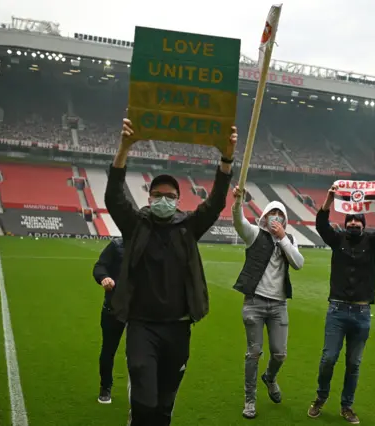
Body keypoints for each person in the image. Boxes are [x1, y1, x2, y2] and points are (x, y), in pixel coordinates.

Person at [105, 118, 237, 426]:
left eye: (170, 195)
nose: (163, 200)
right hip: (142, 327)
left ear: (178, 200)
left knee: (164, 405)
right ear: (149, 198)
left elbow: (216, 201)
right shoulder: (136, 224)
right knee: (144, 401)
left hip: (178, 329)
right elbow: (113, 196)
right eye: (157, 195)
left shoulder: (188, 227)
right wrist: (123, 149)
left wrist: (227, 158)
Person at [307, 182, 375, 424]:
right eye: (350, 220)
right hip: (337, 310)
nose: (354, 223)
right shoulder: (337, 241)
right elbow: (321, 225)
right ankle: (320, 398)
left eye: (358, 220)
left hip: (362, 312)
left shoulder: (372, 243)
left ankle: (347, 406)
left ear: (363, 225)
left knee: (353, 364)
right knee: (328, 359)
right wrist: (328, 199)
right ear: (345, 224)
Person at [231, 185, 305, 419]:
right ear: (264, 216)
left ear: (284, 220)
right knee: (253, 353)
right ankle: (250, 400)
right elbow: (238, 221)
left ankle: (270, 377)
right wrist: (237, 202)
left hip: (278, 306)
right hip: (254, 302)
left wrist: (283, 238)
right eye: (272, 214)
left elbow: (298, 263)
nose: (276, 218)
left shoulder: (289, 239)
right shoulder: (254, 234)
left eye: (280, 216)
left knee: (279, 354)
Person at [92, 237, 125, 404]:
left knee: (141, 354)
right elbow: (100, 266)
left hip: (139, 311)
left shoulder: (150, 245)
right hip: (114, 309)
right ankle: (105, 387)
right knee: (108, 350)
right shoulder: (117, 245)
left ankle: (140, 392)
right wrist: (104, 277)